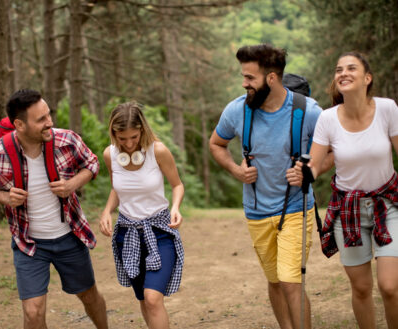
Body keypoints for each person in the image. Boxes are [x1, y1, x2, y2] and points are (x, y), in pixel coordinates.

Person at [209, 44, 325, 329]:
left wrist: (311, 171)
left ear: (271, 78)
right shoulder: (236, 110)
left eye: (250, 78)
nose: (244, 83)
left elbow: (334, 149)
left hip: (296, 207)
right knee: (274, 281)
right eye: (244, 77)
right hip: (257, 211)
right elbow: (216, 144)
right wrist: (237, 170)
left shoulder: (308, 111)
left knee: (290, 282)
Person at [0, 89, 108, 329]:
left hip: (69, 237)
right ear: (19, 124)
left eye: (48, 115)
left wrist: (72, 184)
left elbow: (92, 163)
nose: (50, 122)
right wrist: (5, 197)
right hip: (29, 243)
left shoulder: (67, 140)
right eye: (41, 119)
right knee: (33, 313)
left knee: (89, 296)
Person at [293, 52, 398, 329]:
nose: (343, 73)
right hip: (347, 211)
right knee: (361, 288)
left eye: (352, 68)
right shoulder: (327, 119)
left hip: (387, 205)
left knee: (389, 286)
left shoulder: (387, 109)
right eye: (339, 69)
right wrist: (302, 171)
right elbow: (313, 165)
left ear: (367, 78)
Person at [99, 101, 184, 329]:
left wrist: (175, 207)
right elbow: (117, 188)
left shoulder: (158, 151)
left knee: (153, 298)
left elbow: (177, 185)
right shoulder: (110, 154)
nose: (128, 144)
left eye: (134, 137)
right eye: (122, 138)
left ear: (142, 130)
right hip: (128, 235)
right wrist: (107, 211)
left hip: (159, 233)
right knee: (144, 300)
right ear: (113, 133)